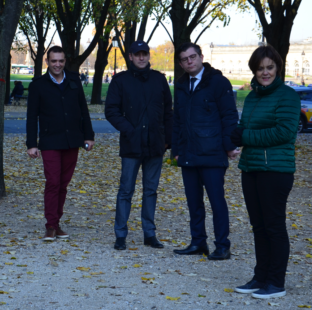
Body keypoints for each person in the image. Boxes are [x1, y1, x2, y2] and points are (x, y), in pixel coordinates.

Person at [230, 45, 300, 299]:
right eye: (260, 69)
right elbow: (242, 127)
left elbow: (284, 132)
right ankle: (260, 277)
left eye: (269, 67)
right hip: (251, 167)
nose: (265, 72)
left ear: (278, 68)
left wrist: (245, 136)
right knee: (258, 226)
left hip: (276, 170)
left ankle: (276, 282)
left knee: (274, 226)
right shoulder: (252, 97)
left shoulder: (287, 96)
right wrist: (234, 138)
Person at [171, 43, 239, 260]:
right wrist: (176, 152)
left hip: (212, 153)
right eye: (184, 59)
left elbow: (229, 116)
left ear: (201, 57)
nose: (189, 62)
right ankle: (198, 242)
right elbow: (177, 121)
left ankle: (222, 246)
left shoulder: (218, 83)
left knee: (217, 201)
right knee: (193, 202)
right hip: (189, 153)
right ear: (181, 63)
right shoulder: (181, 85)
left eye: (192, 57)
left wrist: (229, 145)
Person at [105, 40, 173, 250]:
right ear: (131, 57)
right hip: (132, 145)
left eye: (145, 54)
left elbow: (168, 112)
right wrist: (129, 129)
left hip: (155, 145)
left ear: (148, 56)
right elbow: (111, 110)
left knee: (150, 190)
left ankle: (149, 233)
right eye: (137, 54)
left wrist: (167, 139)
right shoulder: (120, 81)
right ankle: (120, 234)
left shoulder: (159, 80)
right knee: (126, 190)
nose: (142, 57)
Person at [26, 46, 95, 241]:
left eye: (61, 61)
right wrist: (32, 144)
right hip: (50, 141)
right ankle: (50, 225)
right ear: (47, 61)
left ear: (65, 61)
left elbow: (83, 110)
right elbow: (32, 117)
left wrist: (88, 136)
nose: (57, 64)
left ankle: (57, 224)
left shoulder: (74, 80)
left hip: (72, 140)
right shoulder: (38, 84)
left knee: (63, 184)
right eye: (53, 61)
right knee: (53, 182)